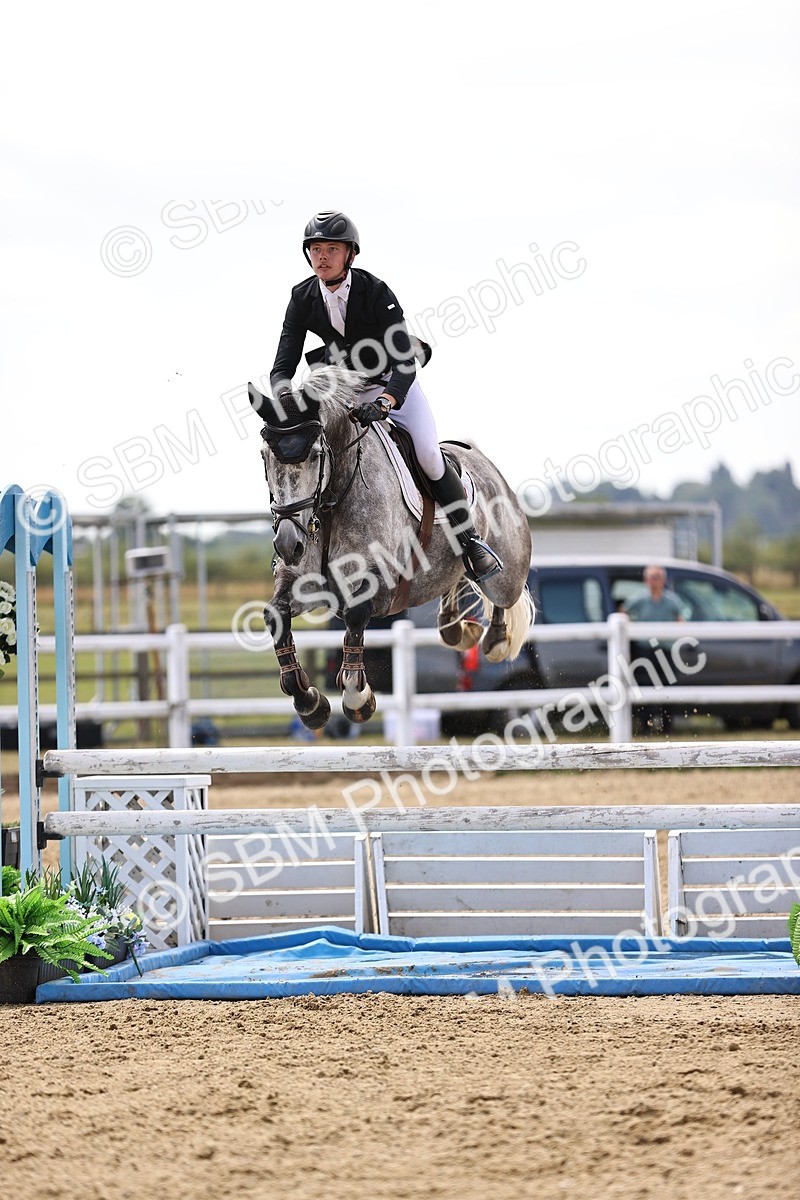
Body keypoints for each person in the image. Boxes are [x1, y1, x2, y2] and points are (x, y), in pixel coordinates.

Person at [265, 210, 503, 584]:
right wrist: (286, 401)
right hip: (338, 392)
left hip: (391, 382)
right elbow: (282, 367)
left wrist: (387, 402)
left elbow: (406, 362)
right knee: (304, 453)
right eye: (315, 249)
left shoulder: (375, 292)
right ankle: (296, 548)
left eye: (331, 249)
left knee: (427, 454)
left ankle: (470, 539)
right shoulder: (302, 297)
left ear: (350, 256)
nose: (322, 256)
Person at [624, 565, 684, 733]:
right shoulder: (639, 599)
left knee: (667, 687)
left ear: (663, 580)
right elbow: (623, 613)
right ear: (646, 580)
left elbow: (681, 620)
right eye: (652, 577)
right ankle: (646, 726)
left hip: (665, 650)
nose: (654, 581)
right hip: (645, 650)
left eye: (657, 577)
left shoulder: (672, 600)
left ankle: (667, 726)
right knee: (645, 686)